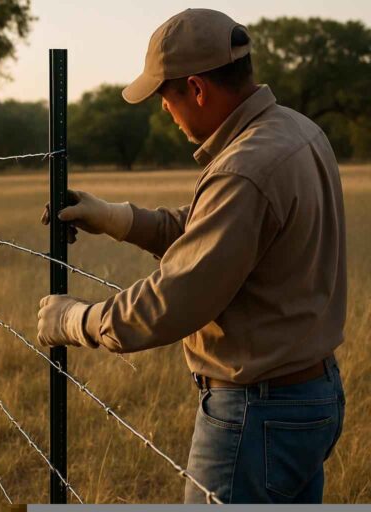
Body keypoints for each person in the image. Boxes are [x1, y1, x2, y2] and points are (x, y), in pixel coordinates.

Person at [36, 8, 346, 504]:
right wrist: (117, 218)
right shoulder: (299, 132)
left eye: (164, 95)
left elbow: (175, 299)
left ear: (197, 89)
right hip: (312, 396)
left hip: (255, 413)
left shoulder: (244, 168)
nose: (163, 110)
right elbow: (217, 235)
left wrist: (77, 320)